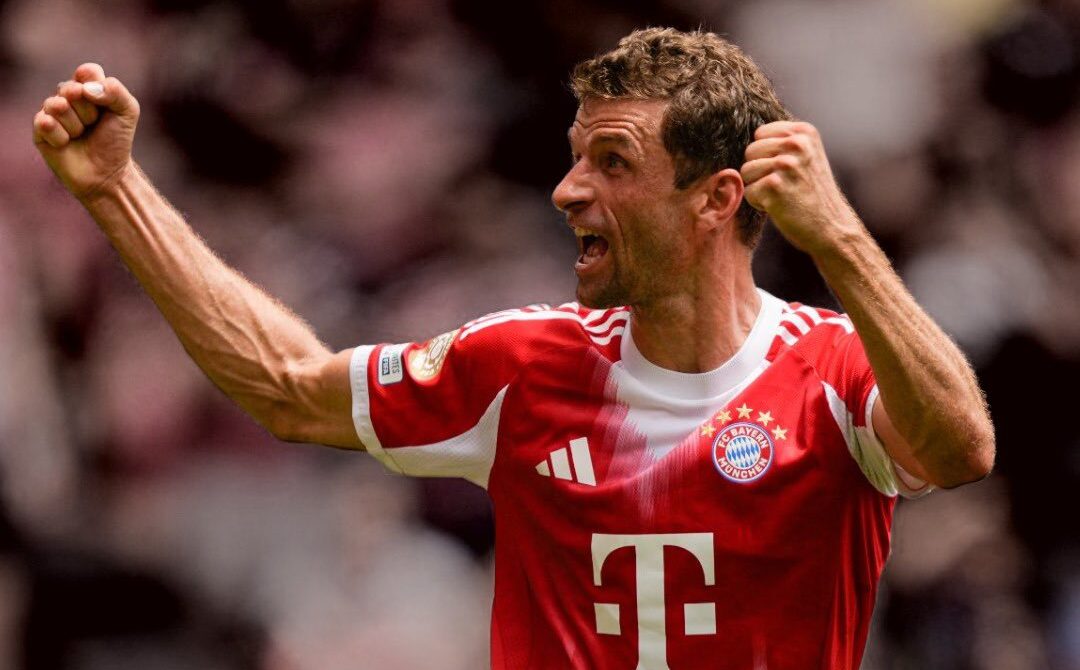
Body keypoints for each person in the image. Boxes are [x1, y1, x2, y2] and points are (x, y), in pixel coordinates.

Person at [33, 27, 993, 670]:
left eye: (611, 162)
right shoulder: (522, 364)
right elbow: (288, 388)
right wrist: (116, 192)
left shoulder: (833, 368)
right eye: (575, 157)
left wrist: (839, 238)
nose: (568, 191)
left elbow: (959, 451)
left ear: (716, 200)